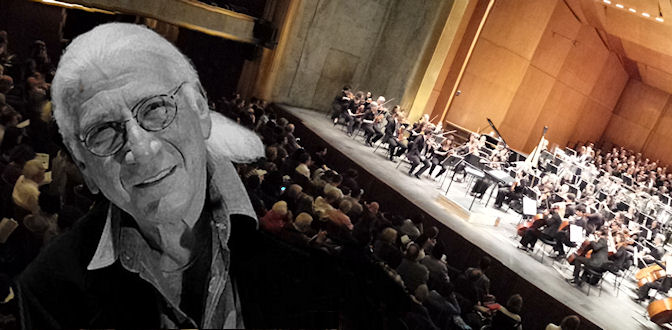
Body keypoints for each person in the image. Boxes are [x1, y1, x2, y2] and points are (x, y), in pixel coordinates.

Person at [16, 23, 409, 329]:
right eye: (103, 132)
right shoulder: (48, 289)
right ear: (87, 169)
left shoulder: (332, 276)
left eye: (154, 108)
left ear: (200, 110)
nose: (141, 149)